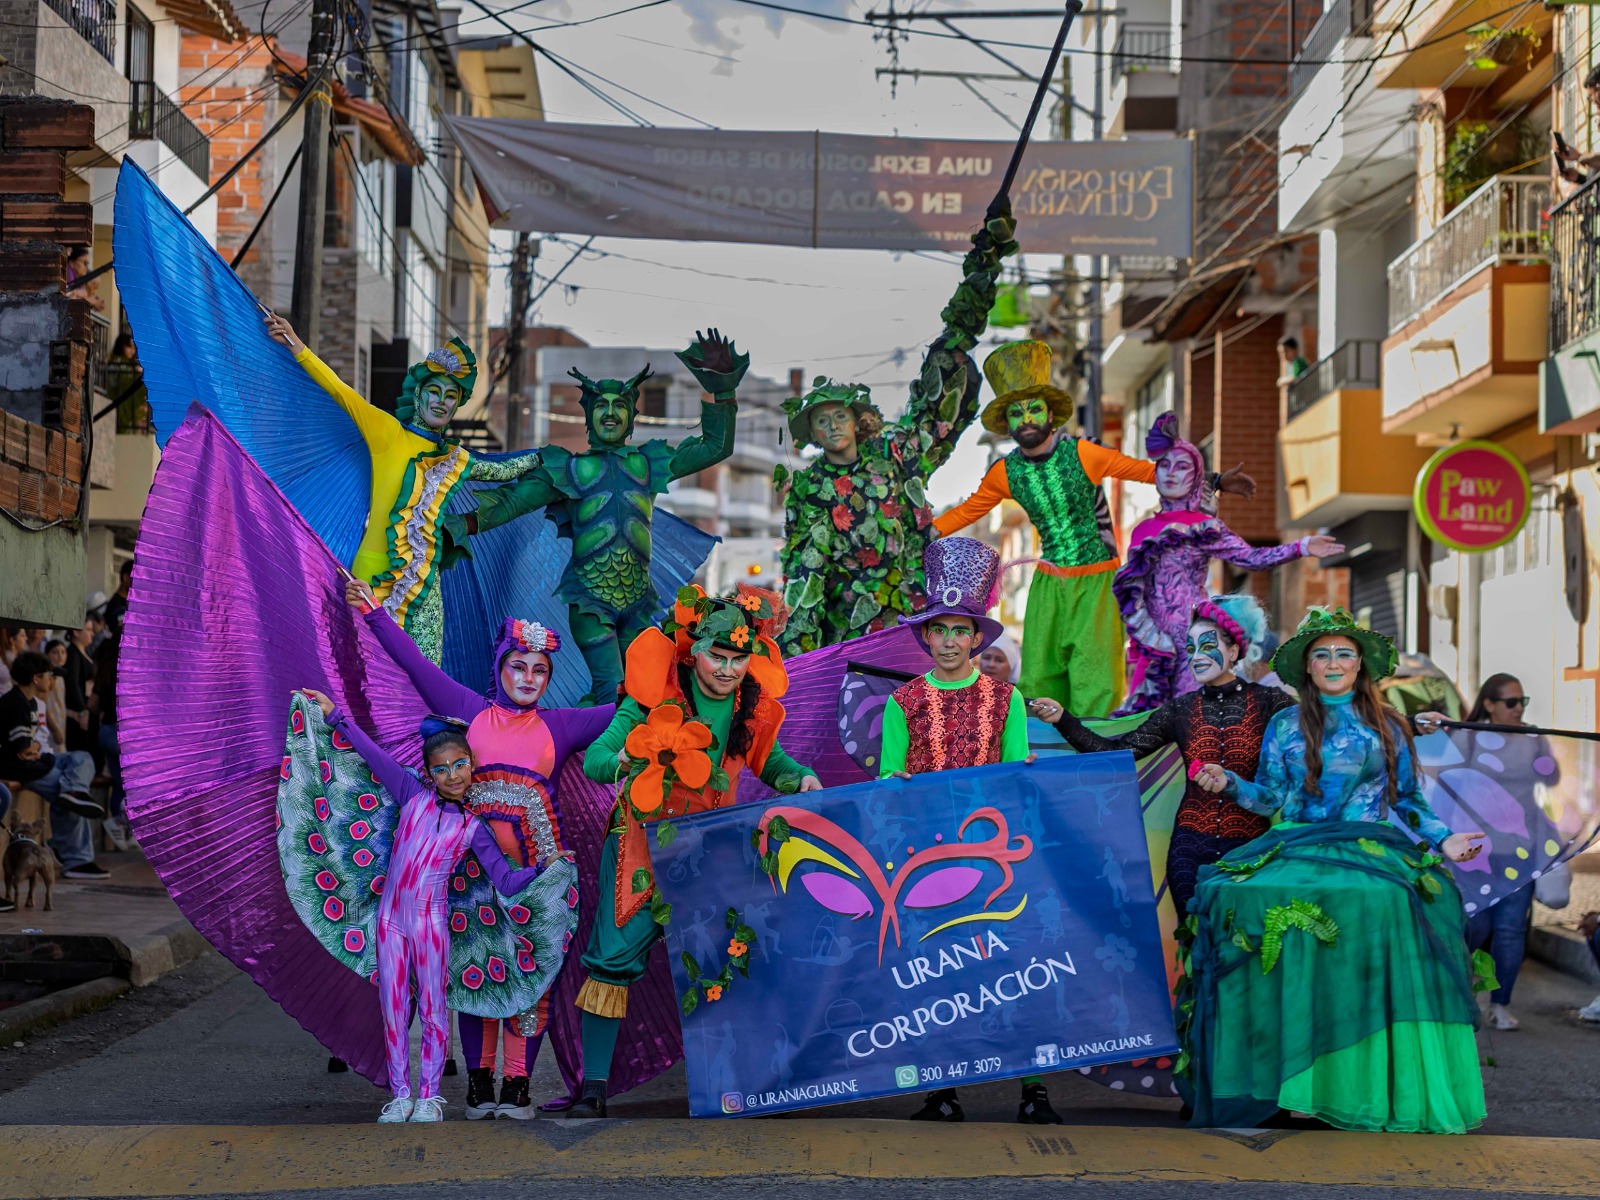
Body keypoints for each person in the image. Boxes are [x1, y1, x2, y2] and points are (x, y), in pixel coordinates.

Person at [1184, 606, 1488, 1132]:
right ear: (1306, 667)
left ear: (1359, 665)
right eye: (1321, 654)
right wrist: (1228, 783)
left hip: (1368, 846)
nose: (1332, 661)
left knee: (1393, 901)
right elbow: (1270, 797)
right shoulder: (1284, 723)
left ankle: (1361, 1084)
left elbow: (1410, 801)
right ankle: (1290, 1085)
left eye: (1343, 653)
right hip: (1296, 846)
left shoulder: (1388, 723)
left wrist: (1446, 839)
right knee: (1238, 901)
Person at [346, 577, 614, 1120]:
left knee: (529, 977)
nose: (529, 678)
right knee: (473, 973)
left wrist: (676, 667)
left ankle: (517, 1085)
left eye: (540, 671)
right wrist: (374, 613)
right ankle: (478, 1083)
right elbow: (415, 666)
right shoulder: (469, 711)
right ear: (499, 668)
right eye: (519, 666)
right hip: (465, 876)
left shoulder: (560, 727)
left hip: (533, 875)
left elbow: (626, 714)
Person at [573, 585, 819, 1116]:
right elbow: (598, 757)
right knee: (612, 961)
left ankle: (732, 1084)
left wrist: (799, 779)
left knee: (724, 962)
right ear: (692, 649)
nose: (728, 670)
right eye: (718, 656)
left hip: (712, 850)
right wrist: (625, 763)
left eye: (738, 659)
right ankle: (593, 1089)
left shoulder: (749, 705)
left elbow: (770, 763)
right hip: (641, 844)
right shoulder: (652, 694)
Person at [934, 341, 1254, 716]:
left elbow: (1145, 471)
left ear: (1051, 414)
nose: (1027, 419)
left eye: (1034, 409)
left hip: (1098, 582)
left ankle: (1091, 755)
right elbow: (966, 511)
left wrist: (1212, 479)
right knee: (1040, 674)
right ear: (1007, 425)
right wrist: (915, 535)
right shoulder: (1005, 472)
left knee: (1095, 678)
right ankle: (1043, 753)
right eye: (1017, 414)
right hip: (1049, 584)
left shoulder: (1085, 452)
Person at [447, 335, 749, 704]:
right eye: (601, 404)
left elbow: (715, 447)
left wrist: (723, 392)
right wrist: (464, 523)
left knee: (644, 692)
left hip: (638, 600)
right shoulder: (569, 469)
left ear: (631, 416)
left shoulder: (647, 463)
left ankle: (616, 751)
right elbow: (512, 502)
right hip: (591, 599)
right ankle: (599, 758)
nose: (610, 411)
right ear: (588, 414)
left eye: (619, 404)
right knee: (611, 687)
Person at [778, 202, 1018, 654]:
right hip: (844, 630)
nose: (832, 427)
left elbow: (936, 399)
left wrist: (984, 262)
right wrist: (799, 652)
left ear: (857, 420)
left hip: (909, 614)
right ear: (812, 433)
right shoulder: (808, 486)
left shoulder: (895, 453)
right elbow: (804, 571)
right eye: (821, 421)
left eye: (839, 416)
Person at [295, 693, 546, 1123]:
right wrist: (335, 715)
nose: (454, 776)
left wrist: (544, 869)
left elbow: (504, 880)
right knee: (393, 1010)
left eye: (461, 765)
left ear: (472, 763)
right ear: (429, 775)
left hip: (431, 925)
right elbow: (371, 755)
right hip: (389, 922)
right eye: (442, 769)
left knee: (432, 1008)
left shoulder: (473, 827)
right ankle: (400, 1094)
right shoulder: (410, 793)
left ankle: (429, 1096)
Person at [877, 538, 1052, 1124]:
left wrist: (1022, 781)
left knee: (1013, 971)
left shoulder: (1007, 700)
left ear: (977, 637)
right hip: (928, 862)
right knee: (938, 975)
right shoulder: (902, 703)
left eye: (960, 630)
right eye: (939, 630)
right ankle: (941, 1090)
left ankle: (1033, 1090)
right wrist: (894, 785)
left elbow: (1016, 778)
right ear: (925, 637)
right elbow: (887, 784)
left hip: (999, 858)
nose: (950, 641)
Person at [265, 315, 542, 663]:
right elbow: (339, 390)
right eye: (434, 391)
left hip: (425, 585)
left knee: (424, 675)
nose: (441, 401)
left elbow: (502, 470)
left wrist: (547, 459)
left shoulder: (455, 459)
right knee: (364, 673)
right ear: (419, 393)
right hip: (371, 574)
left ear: (458, 405)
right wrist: (295, 344)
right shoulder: (387, 434)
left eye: (451, 396)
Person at [1031, 594, 1294, 919]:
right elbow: (1114, 752)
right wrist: (1063, 719)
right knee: (1194, 951)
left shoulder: (1273, 703)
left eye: (1208, 646)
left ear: (1235, 651)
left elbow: (1308, 752)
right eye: (1191, 647)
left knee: (1241, 947)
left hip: (1253, 848)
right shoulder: (1180, 710)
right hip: (1188, 850)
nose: (1197, 656)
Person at [1113, 413, 1342, 714]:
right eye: (1164, 465)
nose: (1170, 473)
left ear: (1194, 476)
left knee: (1190, 717)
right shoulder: (1143, 530)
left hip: (1193, 640)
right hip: (1154, 643)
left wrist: (1301, 546)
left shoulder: (1203, 526)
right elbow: (1135, 592)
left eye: (1181, 466)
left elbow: (1252, 558)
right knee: (1145, 719)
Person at [1458, 673, 1552, 1033]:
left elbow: (1554, 783)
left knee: (1511, 931)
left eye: (1522, 702)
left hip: (1521, 852)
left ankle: (1500, 1005)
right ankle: (1463, 997)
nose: (1518, 709)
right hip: (1476, 853)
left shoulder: (1534, 739)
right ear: (1490, 704)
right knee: (1474, 926)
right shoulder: (1466, 739)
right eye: (1511, 702)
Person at [0, 651, 107, 880]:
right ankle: (77, 860)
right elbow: (22, 751)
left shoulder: (29, 701)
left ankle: (73, 791)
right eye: (49, 675)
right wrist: (33, 749)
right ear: (36, 679)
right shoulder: (17, 703)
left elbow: (34, 744)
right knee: (68, 798)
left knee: (82, 758)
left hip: (38, 763)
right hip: (24, 770)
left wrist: (35, 748)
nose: (53, 680)